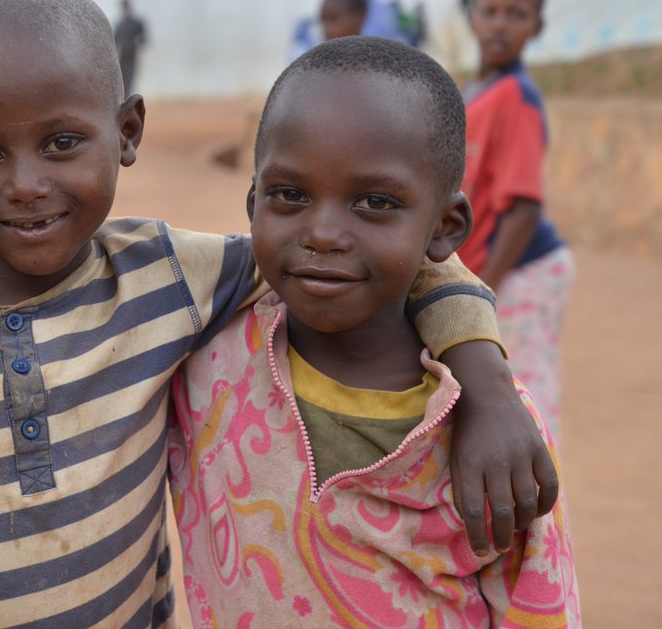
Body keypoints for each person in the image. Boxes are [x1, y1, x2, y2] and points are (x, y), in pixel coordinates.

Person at [0, 0, 558, 629]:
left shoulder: (167, 276)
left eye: (61, 143)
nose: (26, 184)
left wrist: (488, 386)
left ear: (127, 131)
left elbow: (390, 258)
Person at [168, 36, 579, 626]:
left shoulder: (493, 427)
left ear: (446, 226)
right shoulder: (202, 350)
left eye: (375, 202)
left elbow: (538, 603)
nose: (323, 233)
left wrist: (488, 391)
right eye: (289, 195)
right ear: (254, 201)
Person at [460, 0, 572, 440]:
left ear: (537, 27)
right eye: (489, 11)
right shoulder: (471, 94)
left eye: (516, 14)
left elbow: (523, 207)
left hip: (520, 270)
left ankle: (544, 487)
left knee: (521, 393)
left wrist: (483, 292)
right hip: (487, 270)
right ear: (471, 17)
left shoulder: (517, 98)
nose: (500, 25)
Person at [114, 0, 147, 96]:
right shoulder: (120, 25)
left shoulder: (137, 23)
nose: (125, 9)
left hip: (131, 59)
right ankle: (122, 101)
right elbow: (115, 42)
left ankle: (127, 102)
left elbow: (144, 39)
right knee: (121, 84)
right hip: (121, 59)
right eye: (123, 6)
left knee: (128, 84)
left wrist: (135, 46)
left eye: (126, 6)